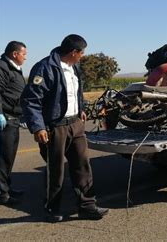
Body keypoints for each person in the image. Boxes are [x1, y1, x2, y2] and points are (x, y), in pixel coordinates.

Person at [21, 34, 108, 222]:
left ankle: (87, 205)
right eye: (82, 52)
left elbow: (76, 91)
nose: (83, 56)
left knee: (82, 165)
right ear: (73, 52)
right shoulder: (45, 68)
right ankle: (52, 208)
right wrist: (38, 127)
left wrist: (81, 109)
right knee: (56, 170)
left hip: (75, 124)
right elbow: (31, 100)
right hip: (54, 127)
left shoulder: (74, 67)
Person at [0, 41, 27, 206]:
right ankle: (2, 194)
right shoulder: (1, 66)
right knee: (2, 158)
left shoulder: (13, 67)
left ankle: (6, 187)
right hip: (5, 120)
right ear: (15, 54)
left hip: (14, 118)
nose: (25, 57)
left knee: (9, 157)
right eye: (24, 54)